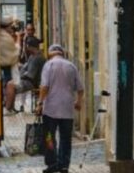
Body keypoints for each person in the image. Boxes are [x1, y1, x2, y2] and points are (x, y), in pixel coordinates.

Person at [36, 44, 84, 173]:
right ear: (62, 53)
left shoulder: (48, 65)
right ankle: (64, 165)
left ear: (50, 54)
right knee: (66, 138)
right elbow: (80, 88)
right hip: (67, 109)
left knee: (49, 137)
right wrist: (78, 102)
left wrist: (40, 103)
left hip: (50, 109)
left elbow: (44, 86)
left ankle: (52, 164)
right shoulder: (71, 66)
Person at [4, 37, 45, 114]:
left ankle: (8, 108)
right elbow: (26, 67)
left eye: (26, 46)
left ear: (30, 47)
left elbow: (30, 75)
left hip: (32, 82)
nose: (26, 48)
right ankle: (11, 108)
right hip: (29, 79)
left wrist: (19, 77)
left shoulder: (37, 58)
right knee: (10, 82)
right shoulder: (33, 56)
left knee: (10, 84)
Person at [0, 18, 20, 86]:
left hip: (3, 67)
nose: (11, 29)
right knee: (10, 84)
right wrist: (18, 39)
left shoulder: (1, 34)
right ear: (7, 27)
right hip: (6, 68)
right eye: (10, 27)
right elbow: (14, 54)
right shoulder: (5, 37)